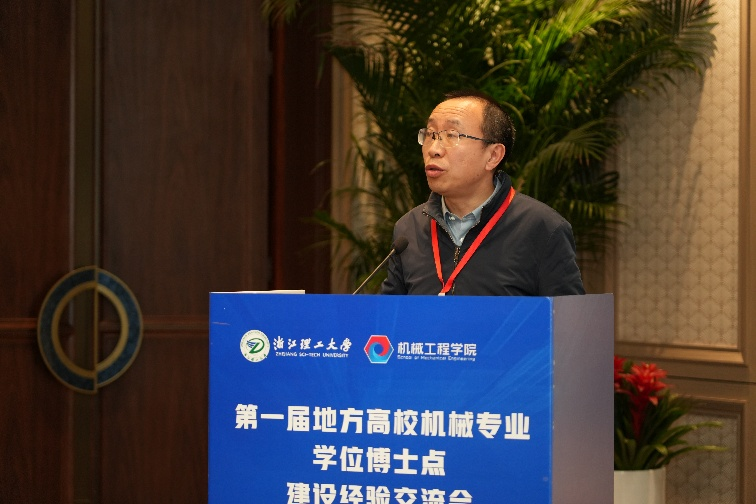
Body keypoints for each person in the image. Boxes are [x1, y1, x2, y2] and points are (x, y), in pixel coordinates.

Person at [381, 90, 585, 296]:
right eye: (430, 134)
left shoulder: (542, 228)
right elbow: (388, 314)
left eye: (452, 135)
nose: (434, 149)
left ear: (493, 156)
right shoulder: (408, 229)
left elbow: (567, 316)